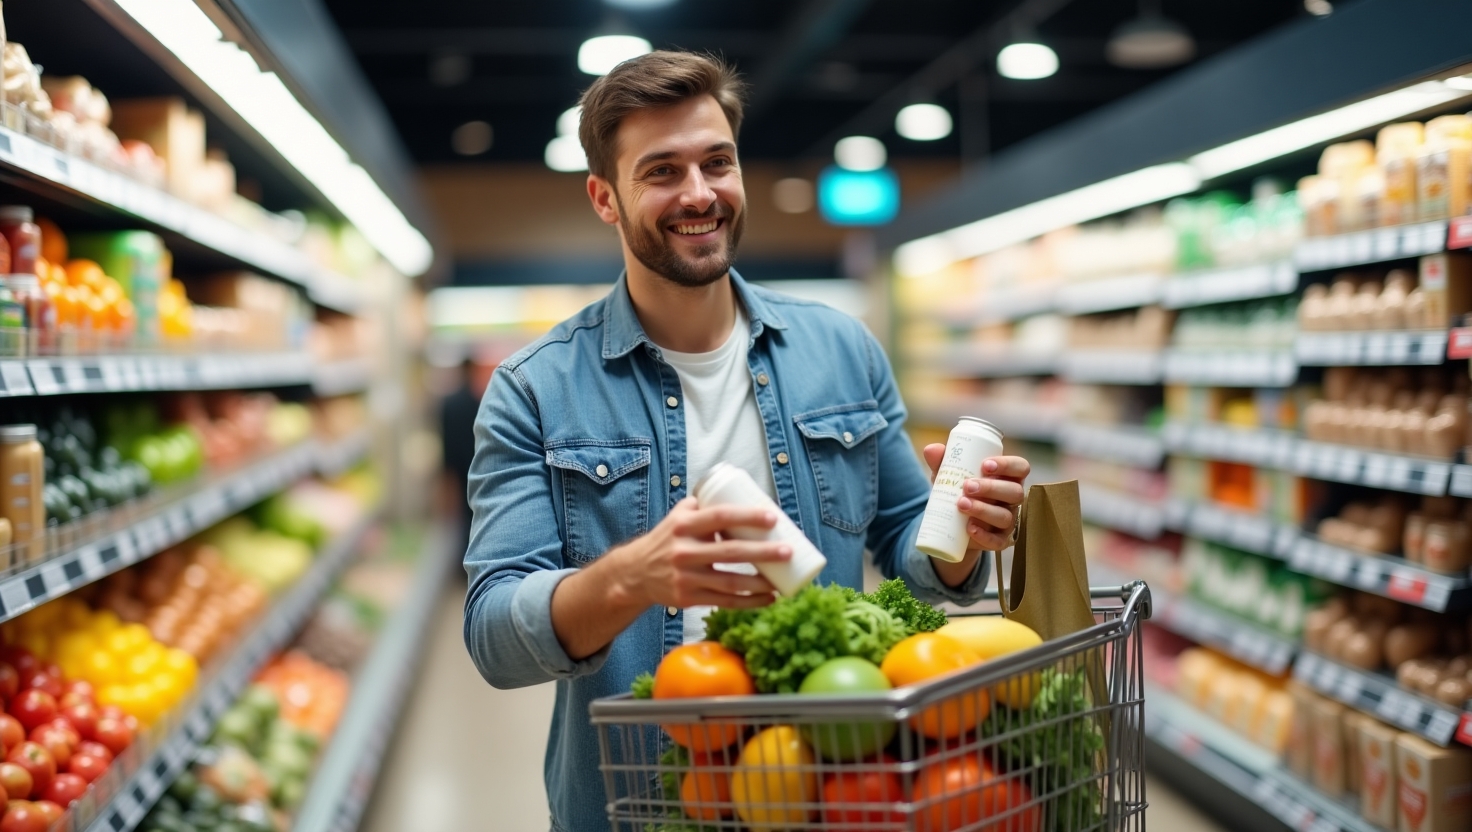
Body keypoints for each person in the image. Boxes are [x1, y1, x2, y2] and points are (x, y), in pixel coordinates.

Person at [462, 50, 1030, 832]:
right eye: (661, 171)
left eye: (716, 162)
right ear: (604, 197)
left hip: (832, 783)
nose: (699, 194)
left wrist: (963, 533)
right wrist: (634, 577)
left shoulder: (843, 348)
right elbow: (494, 632)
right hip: (641, 801)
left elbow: (908, 545)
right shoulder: (535, 388)